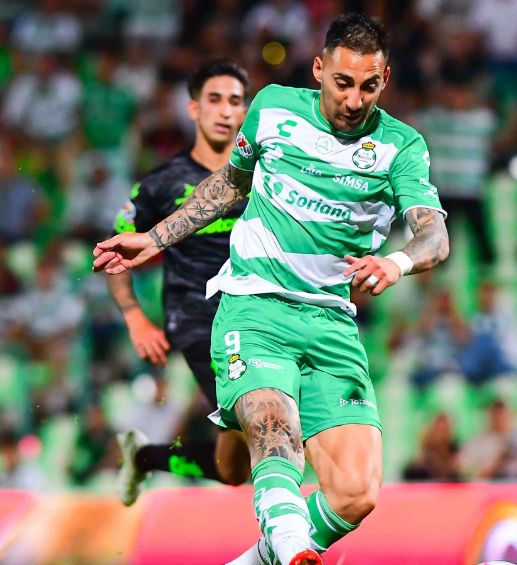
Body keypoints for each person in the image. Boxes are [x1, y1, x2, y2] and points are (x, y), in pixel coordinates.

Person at [93, 14, 449, 565]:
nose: (354, 100)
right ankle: (290, 549)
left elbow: (433, 233)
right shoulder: (274, 108)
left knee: (356, 493)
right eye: (342, 82)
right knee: (270, 425)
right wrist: (157, 238)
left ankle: (261, 557)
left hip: (331, 323)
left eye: (369, 86)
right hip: (253, 307)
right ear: (318, 70)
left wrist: (398, 261)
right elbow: (231, 183)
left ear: (386, 80)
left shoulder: (400, 147)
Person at [105, 59, 252, 506]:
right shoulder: (160, 183)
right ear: (193, 109)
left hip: (257, 312)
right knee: (257, 412)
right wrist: (134, 317)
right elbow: (113, 250)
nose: (225, 111)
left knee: (231, 472)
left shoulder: (266, 176)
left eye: (235, 101)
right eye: (214, 100)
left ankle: (148, 457)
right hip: (197, 317)